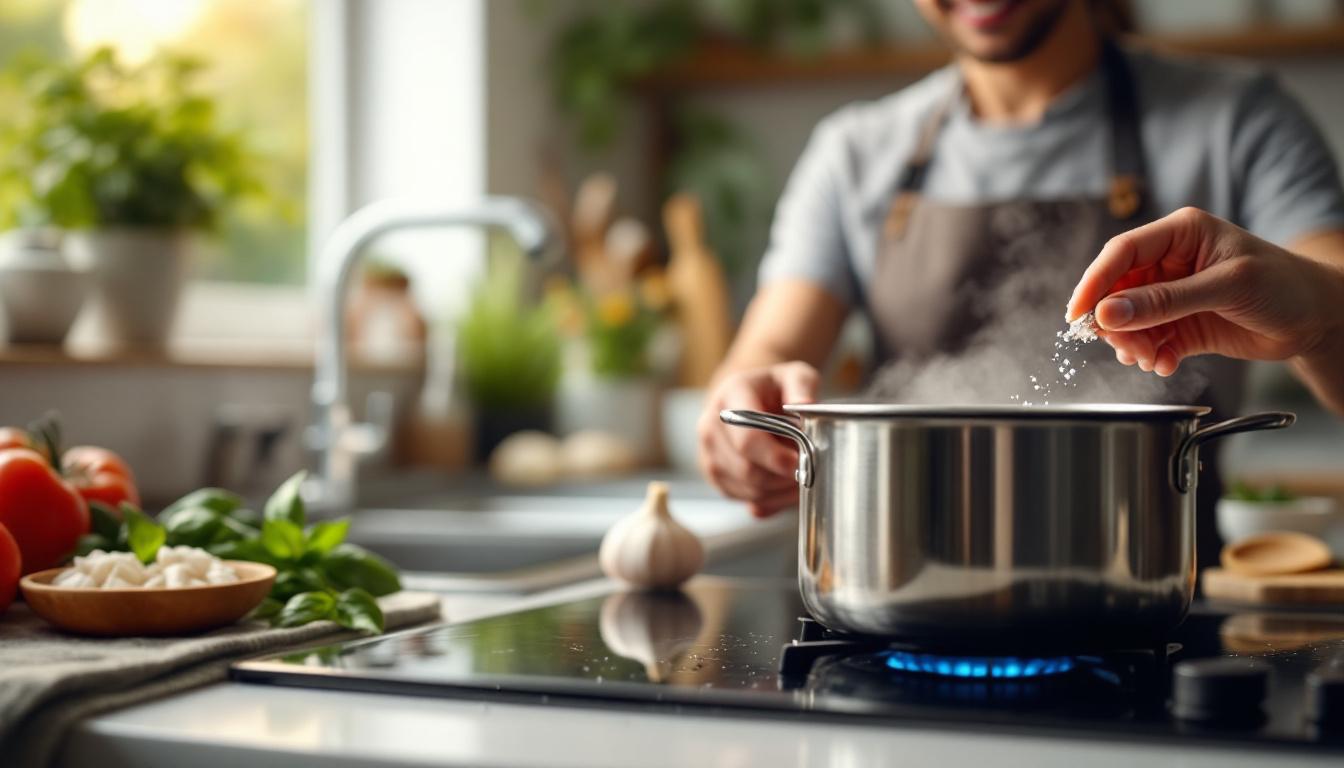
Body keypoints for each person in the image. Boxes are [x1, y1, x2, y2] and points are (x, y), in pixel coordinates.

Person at [697, 0, 1344, 546]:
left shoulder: (1241, 120)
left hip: (1163, 588)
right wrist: (742, 412)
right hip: (898, 577)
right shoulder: (852, 153)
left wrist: (1317, 317)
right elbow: (768, 350)